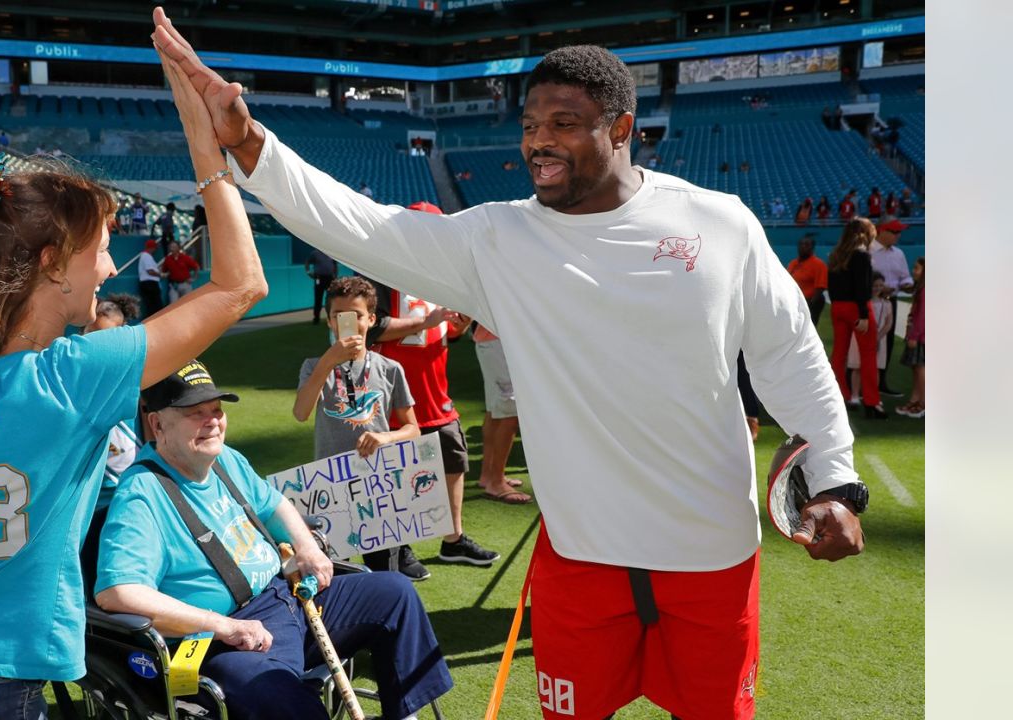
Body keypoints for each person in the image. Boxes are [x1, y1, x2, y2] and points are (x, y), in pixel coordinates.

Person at [153, 20, 866, 718]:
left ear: (620, 130)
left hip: (711, 553)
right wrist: (248, 142)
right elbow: (359, 224)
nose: (538, 142)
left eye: (564, 124)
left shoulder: (720, 224)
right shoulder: (498, 238)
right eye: (530, 125)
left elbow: (789, 355)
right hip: (581, 558)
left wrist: (833, 480)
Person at [0, 47, 268, 718]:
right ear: (50, 261)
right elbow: (243, 284)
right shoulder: (76, 375)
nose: (107, 266)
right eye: (99, 247)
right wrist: (206, 143)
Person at [95, 362, 453, 720]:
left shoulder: (225, 459)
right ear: (157, 424)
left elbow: (274, 505)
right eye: (195, 413)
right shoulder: (140, 495)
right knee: (278, 695)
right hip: (224, 643)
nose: (213, 421)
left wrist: (307, 548)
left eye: (217, 410)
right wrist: (223, 626)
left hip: (289, 598)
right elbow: (118, 593)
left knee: (394, 592)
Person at [362, 201, 501, 567]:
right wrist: (424, 324)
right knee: (397, 471)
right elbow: (370, 327)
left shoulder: (444, 273)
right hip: (394, 391)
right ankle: (399, 544)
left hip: (435, 389)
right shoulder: (383, 270)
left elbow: (446, 332)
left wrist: (457, 324)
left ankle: (452, 540)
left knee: (453, 461)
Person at [292, 277, 427, 579]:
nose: (346, 323)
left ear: (371, 319)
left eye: (355, 316)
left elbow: (413, 429)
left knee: (384, 573)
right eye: (339, 316)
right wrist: (329, 361)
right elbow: (301, 413)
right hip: (332, 488)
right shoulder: (314, 366)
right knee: (336, 574)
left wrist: (385, 436)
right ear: (329, 321)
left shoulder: (390, 369)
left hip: (377, 487)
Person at [84, 292, 146, 513]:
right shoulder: (76, 377)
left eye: (105, 336)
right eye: (90, 333)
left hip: (130, 497)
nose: (96, 343)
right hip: (91, 502)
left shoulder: (136, 380)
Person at [827, 217, 886, 419]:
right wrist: (863, 313)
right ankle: (871, 402)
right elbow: (863, 287)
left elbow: (833, 287)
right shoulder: (862, 255)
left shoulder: (835, 255)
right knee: (868, 354)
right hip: (856, 308)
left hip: (837, 307)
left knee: (839, 354)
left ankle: (839, 396)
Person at [473, 323, 530, 503]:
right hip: (496, 341)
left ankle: (489, 476)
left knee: (496, 411)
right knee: (509, 414)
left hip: (492, 340)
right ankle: (496, 482)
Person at [869, 218, 913, 398]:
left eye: (899, 232)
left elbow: (905, 277)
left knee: (886, 343)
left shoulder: (899, 254)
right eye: (894, 232)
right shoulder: (867, 251)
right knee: (866, 342)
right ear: (882, 231)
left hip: (890, 301)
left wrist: (908, 285)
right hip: (870, 302)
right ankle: (863, 382)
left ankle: (881, 382)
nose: (898, 235)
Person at [847, 272, 893, 409]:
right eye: (874, 285)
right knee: (857, 367)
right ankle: (855, 395)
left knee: (875, 368)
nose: (877, 288)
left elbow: (888, 323)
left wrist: (878, 337)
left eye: (880, 285)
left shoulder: (887, 304)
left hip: (879, 339)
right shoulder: (862, 302)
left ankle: (873, 395)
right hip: (861, 336)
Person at [895, 257, 925, 418]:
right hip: (918, 335)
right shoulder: (920, 289)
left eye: (917, 268)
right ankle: (915, 399)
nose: (914, 271)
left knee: (921, 368)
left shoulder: (925, 290)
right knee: (916, 368)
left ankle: (923, 403)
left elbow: (922, 316)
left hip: (921, 337)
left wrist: (914, 335)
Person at [787, 235, 828, 325]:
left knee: (808, 327)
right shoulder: (793, 263)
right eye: (801, 244)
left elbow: (820, 287)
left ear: (812, 248)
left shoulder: (818, 264)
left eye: (806, 245)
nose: (803, 247)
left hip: (810, 301)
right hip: (795, 301)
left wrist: (811, 304)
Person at [303, 247, 337, 325]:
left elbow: (334, 264)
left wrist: (335, 275)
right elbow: (307, 262)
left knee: (331, 298)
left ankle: (331, 317)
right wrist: (309, 272)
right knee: (318, 298)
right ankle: (316, 318)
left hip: (330, 278)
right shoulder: (315, 253)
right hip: (319, 278)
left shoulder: (330, 252)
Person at [161, 239, 201, 304]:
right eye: (171, 247)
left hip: (185, 284)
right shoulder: (167, 259)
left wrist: (193, 278)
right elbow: (164, 271)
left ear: (178, 248)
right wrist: (164, 274)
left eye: (174, 247)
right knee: (173, 305)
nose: (172, 249)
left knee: (187, 304)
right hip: (174, 285)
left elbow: (196, 267)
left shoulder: (185, 257)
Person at [137, 239, 164, 317]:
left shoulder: (145, 256)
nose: (155, 250)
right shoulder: (146, 256)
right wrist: (161, 275)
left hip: (148, 284)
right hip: (150, 284)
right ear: (151, 248)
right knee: (155, 306)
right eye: (155, 248)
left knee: (152, 306)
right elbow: (150, 271)